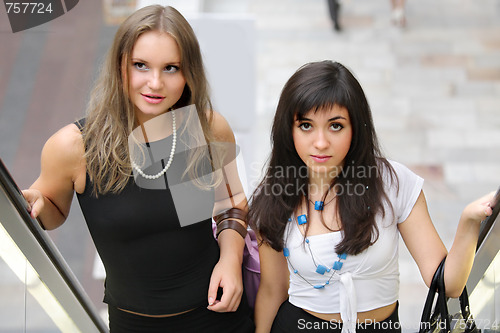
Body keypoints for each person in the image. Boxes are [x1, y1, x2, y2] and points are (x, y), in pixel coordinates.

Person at [22, 5, 254, 333]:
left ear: (189, 73)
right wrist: (36, 203)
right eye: (141, 65)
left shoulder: (205, 128)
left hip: (217, 316)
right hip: (133, 324)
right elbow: (52, 212)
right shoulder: (75, 147)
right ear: (120, 65)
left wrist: (230, 262)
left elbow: (231, 203)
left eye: (171, 67)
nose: (155, 83)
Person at [248, 60, 494, 333]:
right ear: (288, 129)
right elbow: (272, 291)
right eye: (306, 125)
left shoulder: (392, 183)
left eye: (335, 126)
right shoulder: (275, 195)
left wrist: (469, 221)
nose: (320, 142)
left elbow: (448, 285)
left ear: (356, 128)